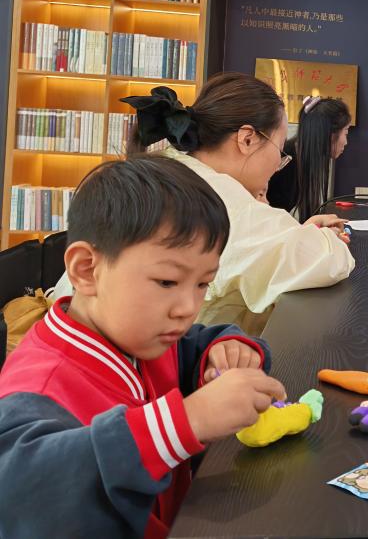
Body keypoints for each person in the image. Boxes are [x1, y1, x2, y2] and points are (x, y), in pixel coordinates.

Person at [0, 155, 286, 538]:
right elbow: (24, 492)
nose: (187, 308)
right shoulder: (39, 387)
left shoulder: (143, 336)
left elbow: (193, 347)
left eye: (203, 284)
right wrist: (186, 421)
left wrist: (227, 348)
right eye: (167, 282)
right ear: (87, 269)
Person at [54, 74, 356, 327]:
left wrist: (294, 229)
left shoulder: (168, 166)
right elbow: (330, 261)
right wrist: (324, 237)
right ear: (247, 139)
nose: (278, 163)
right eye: (279, 151)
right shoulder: (220, 200)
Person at [266, 95, 352, 222]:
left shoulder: (304, 157)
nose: (346, 142)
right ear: (329, 134)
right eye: (346, 132)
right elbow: (271, 221)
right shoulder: (285, 162)